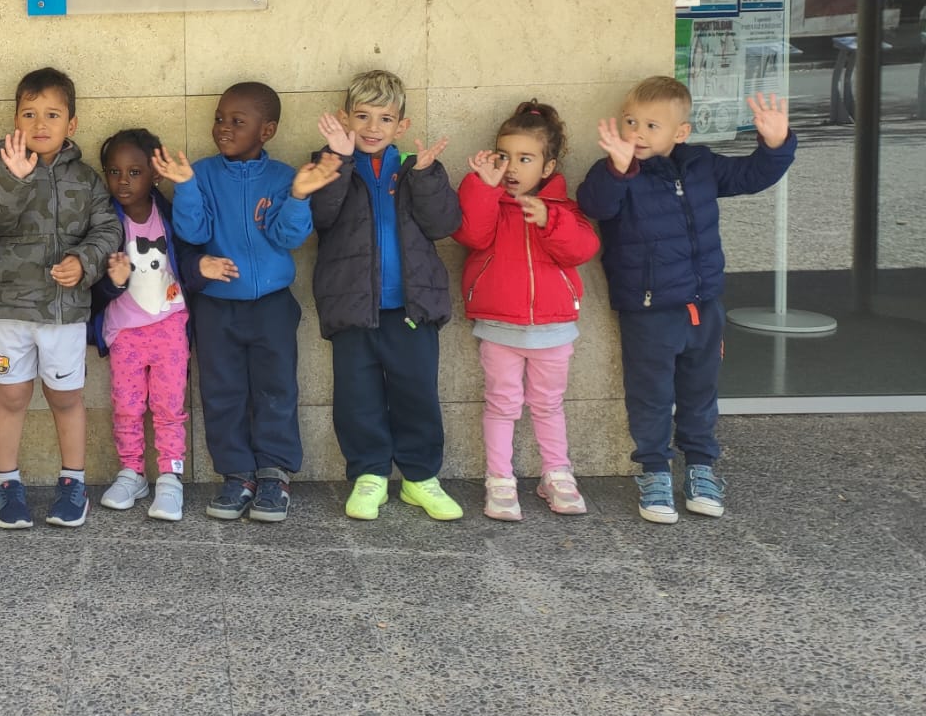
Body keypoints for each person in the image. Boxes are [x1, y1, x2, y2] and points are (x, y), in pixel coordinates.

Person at [578, 80, 794, 523]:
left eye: (651, 125)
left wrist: (775, 145)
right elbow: (594, 205)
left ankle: (701, 467)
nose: (637, 132)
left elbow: (750, 176)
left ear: (680, 132)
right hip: (648, 311)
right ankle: (655, 471)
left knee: (700, 391)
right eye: (630, 121)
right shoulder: (616, 171)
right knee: (651, 395)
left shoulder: (700, 165)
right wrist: (617, 169)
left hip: (703, 304)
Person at [158, 83, 340, 524]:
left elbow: (288, 237)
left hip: (272, 306)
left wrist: (299, 196)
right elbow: (194, 233)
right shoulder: (201, 173)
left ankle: (275, 474)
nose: (224, 128)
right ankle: (237, 473)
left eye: (237, 122)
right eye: (220, 119)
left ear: (267, 130)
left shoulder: (282, 177)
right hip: (216, 307)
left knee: (276, 389)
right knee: (222, 391)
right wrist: (185, 187)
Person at [310, 70, 464, 522]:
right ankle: (369, 474)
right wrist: (338, 161)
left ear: (402, 126)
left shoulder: (417, 167)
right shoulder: (327, 163)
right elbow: (320, 216)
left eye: (385, 118)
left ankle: (420, 477)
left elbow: (444, 225)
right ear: (344, 119)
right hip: (352, 306)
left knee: (417, 393)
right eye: (362, 116)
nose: (372, 127)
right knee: (357, 397)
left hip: (413, 307)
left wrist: (427, 176)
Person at [0, 67, 121, 530]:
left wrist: (84, 261)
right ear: (15, 119)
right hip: (9, 308)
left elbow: (108, 229)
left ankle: (73, 482)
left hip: (64, 309)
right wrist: (14, 179)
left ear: (71, 124)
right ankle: (8, 485)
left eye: (52, 115)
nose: (40, 124)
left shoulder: (86, 179)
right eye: (29, 114)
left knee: (66, 397)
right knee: (12, 395)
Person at [454, 101, 599, 521]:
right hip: (498, 328)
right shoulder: (492, 201)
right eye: (505, 156)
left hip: (554, 331)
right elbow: (470, 235)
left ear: (548, 166)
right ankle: (500, 479)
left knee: (548, 404)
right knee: (502, 405)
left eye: (525, 158)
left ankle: (557, 474)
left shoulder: (564, 209)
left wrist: (550, 220)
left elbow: (583, 249)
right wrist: (483, 187)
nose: (513, 168)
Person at [88, 129, 202, 522]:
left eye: (135, 172)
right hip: (125, 331)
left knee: (169, 406)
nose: (123, 181)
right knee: (127, 406)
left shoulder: (167, 214)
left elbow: (190, 250)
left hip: (169, 325)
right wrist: (113, 281)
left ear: (154, 175)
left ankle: (170, 477)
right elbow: (95, 288)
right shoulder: (104, 222)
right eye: (114, 171)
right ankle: (132, 472)